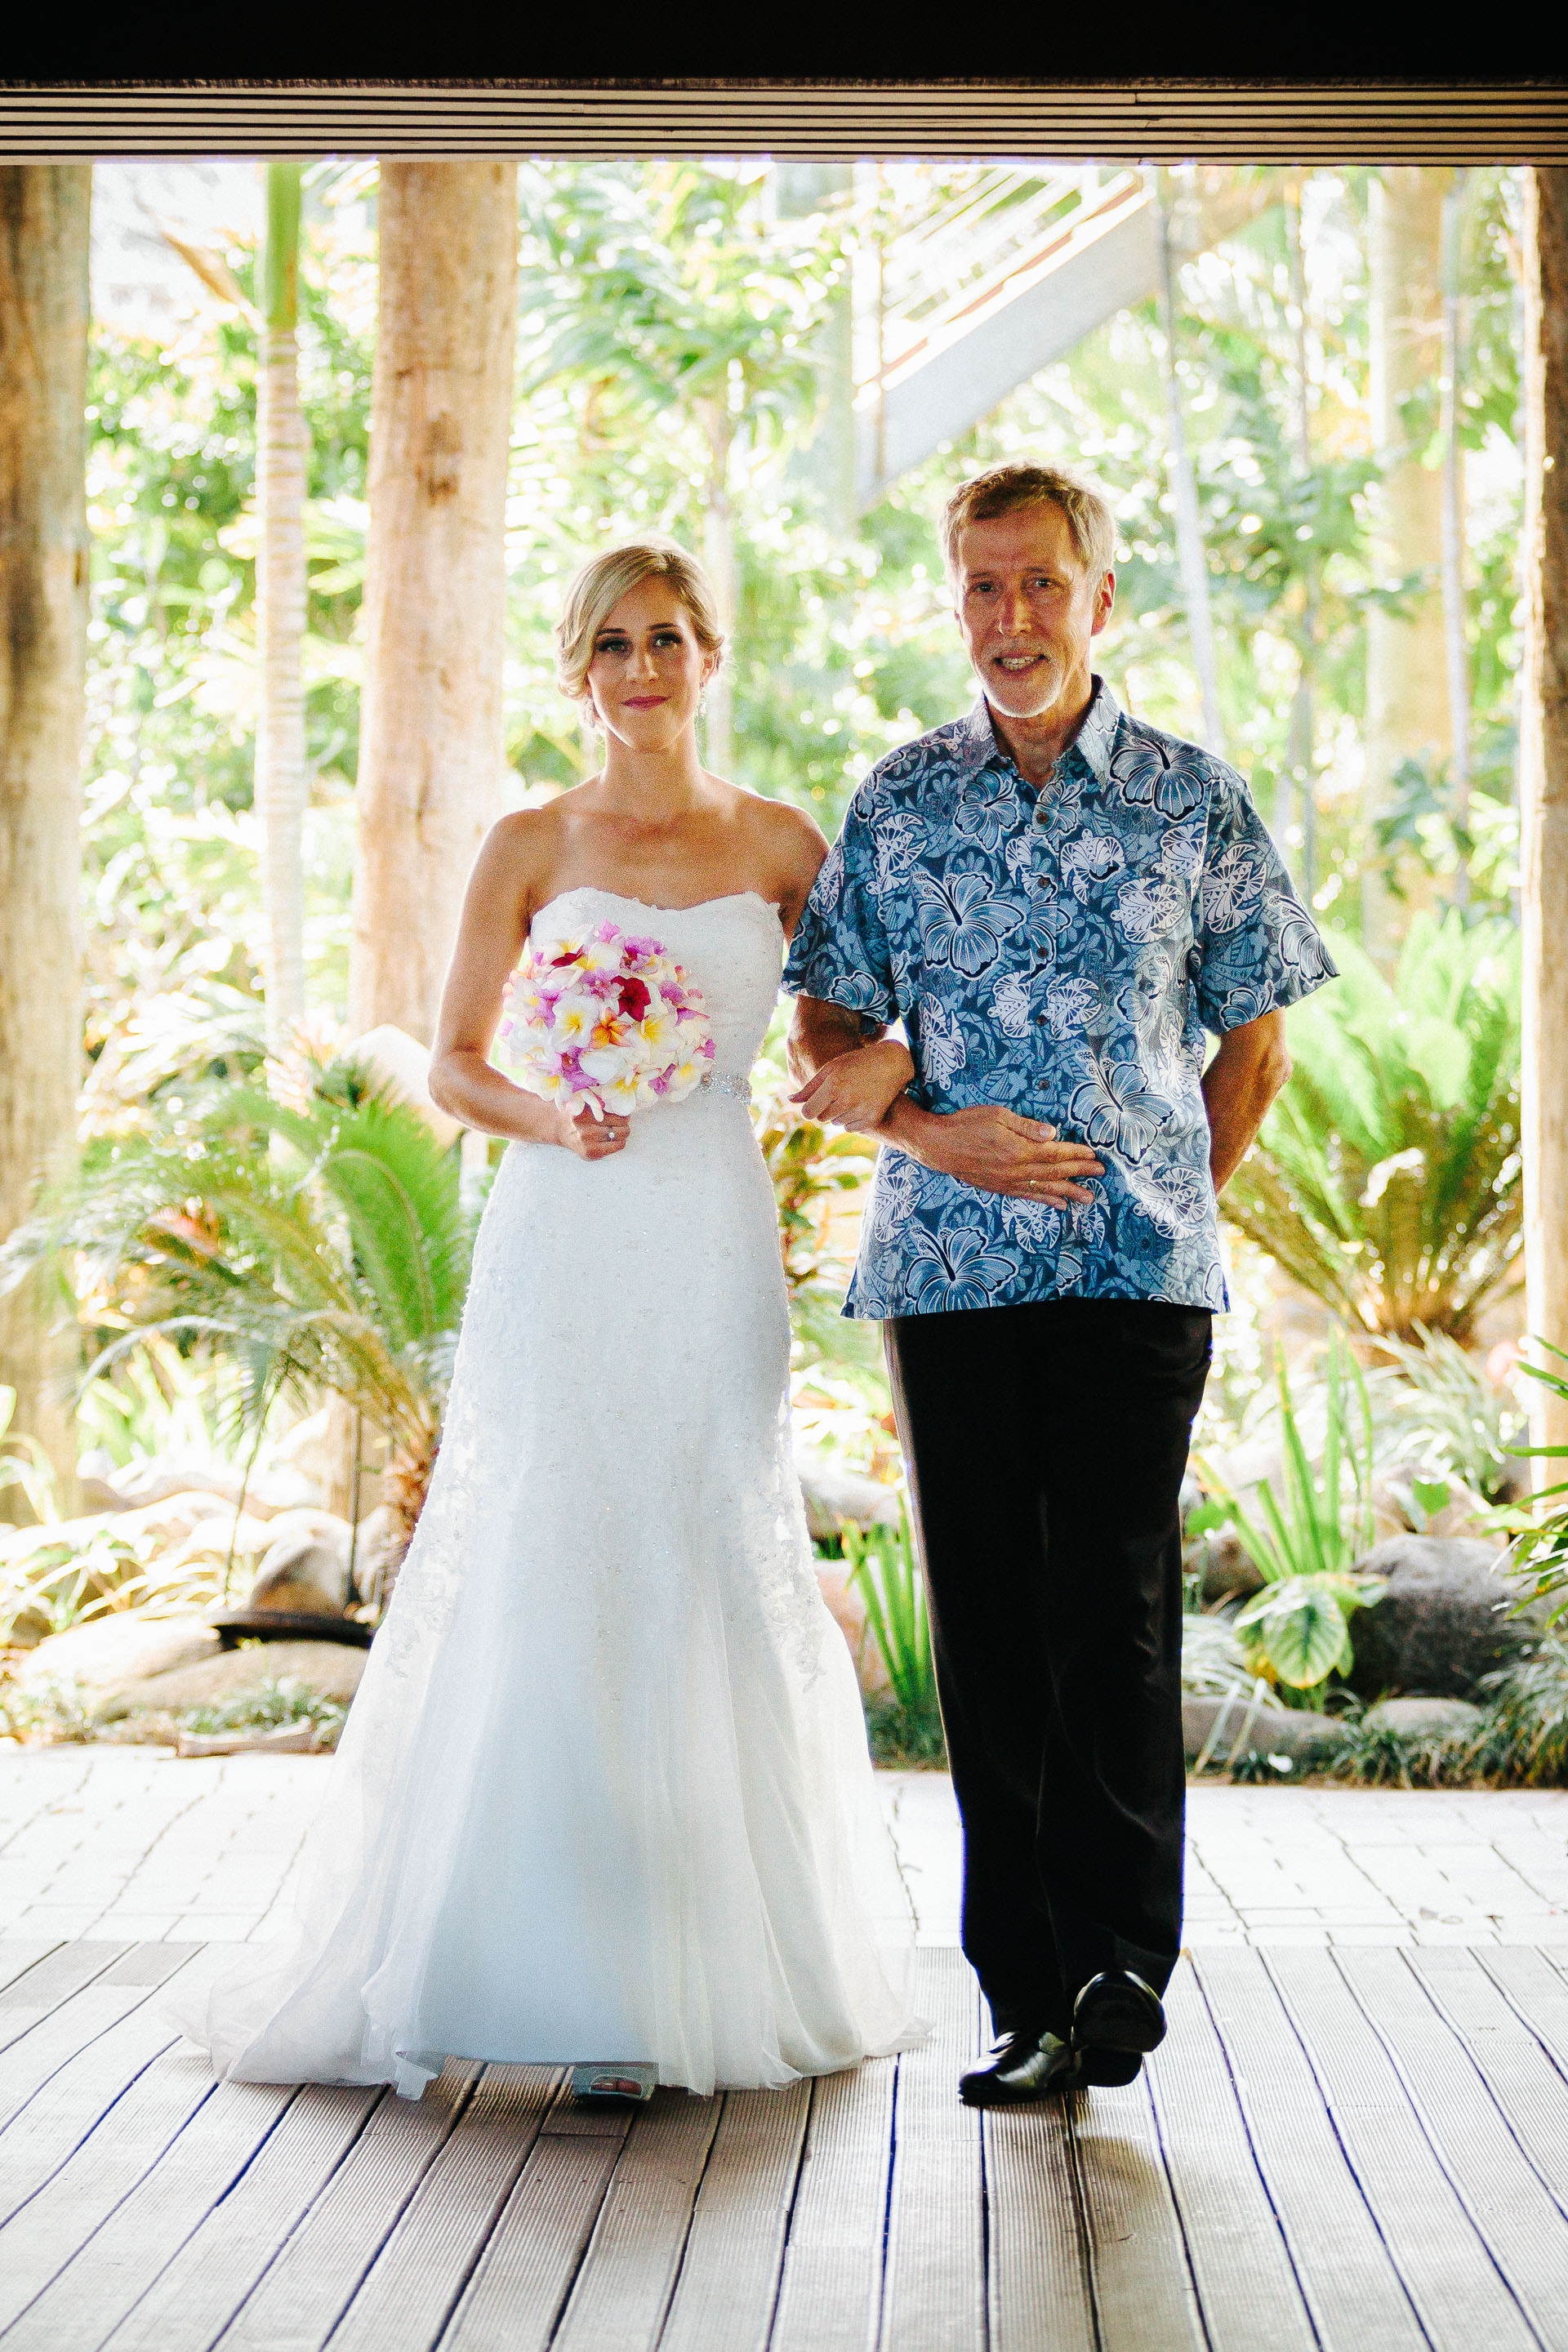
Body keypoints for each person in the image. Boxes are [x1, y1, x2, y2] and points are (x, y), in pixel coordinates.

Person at [171, 537, 924, 2097]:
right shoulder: (527, 843)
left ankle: (674, 1987)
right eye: (610, 645)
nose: (640, 670)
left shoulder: (789, 846)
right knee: (546, 1542)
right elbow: (450, 1061)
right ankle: (501, 1962)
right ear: (577, 667)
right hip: (565, 1223)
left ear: (711, 657)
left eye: (665, 640)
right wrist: (544, 1108)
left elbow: (855, 1036)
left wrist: (867, 1078)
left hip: (710, 1224)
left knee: (693, 1535)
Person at [786, 461, 1334, 2105]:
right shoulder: (899, 804)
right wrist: (941, 1139)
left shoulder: (1193, 801)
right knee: (993, 1634)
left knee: (1116, 1606)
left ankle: (1116, 1967)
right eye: (981, 587)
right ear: (954, 600)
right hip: (948, 1277)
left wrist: (1170, 1193)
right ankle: (1025, 1993)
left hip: (1134, 1277)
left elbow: (1255, 1041)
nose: (1010, 619)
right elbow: (823, 1036)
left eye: (1040, 585)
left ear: (1101, 599)